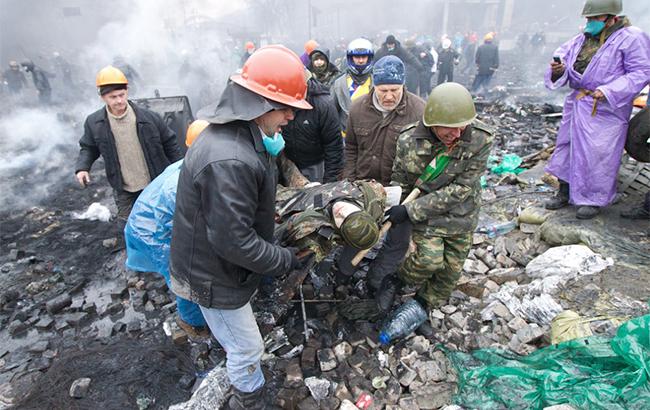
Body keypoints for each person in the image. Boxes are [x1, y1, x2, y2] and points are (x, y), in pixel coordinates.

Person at [168, 45, 312, 409]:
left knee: (240, 335)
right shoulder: (229, 159)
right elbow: (233, 241)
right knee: (247, 347)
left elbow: (235, 214)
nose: (290, 118)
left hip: (215, 264)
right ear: (261, 103)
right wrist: (283, 260)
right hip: (212, 276)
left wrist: (267, 216)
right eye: (286, 109)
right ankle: (249, 397)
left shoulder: (241, 136)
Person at [370, 83, 494, 325]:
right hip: (427, 218)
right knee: (429, 260)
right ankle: (396, 280)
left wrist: (410, 210)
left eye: (462, 128)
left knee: (449, 274)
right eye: (449, 130)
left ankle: (421, 305)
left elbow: (462, 188)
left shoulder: (480, 139)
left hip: (461, 213)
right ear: (431, 124)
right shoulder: (409, 141)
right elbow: (400, 178)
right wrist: (395, 207)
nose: (457, 135)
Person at [544, 0, 650, 219]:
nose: (589, 23)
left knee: (598, 154)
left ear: (612, 18)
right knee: (567, 147)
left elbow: (641, 72)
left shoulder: (632, 38)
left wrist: (609, 90)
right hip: (578, 102)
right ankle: (565, 191)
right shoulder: (583, 39)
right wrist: (559, 69)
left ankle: (593, 198)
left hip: (604, 108)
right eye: (588, 19)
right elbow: (565, 61)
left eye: (594, 18)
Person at [125, 120, 210, 338]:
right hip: (151, 230)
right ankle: (193, 324)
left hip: (158, 220)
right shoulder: (178, 183)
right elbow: (176, 228)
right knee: (182, 272)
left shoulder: (196, 165)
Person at [74, 66, 183, 222]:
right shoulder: (95, 123)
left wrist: (180, 170)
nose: (119, 101)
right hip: (124, 189)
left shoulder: (149, 118)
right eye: (113, 97)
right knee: (129, 226)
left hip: (156, 183)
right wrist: (83, 168)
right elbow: (88, 147)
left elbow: (170, 143)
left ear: (127, 91)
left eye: (122, 95)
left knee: (163, 222)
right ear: (102, 97)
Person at [343, 55, 425, 186]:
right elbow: (351, 149)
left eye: (394, 90)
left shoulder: (419, 111)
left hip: (399, 189)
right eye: (383, 90)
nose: (389, 96)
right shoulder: (357, 108)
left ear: (403, 85)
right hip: (363, 185)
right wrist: (349, 183)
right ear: (374, 86)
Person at [275, 180, 387, 261]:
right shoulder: (371, 193)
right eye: (350, 214)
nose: (341, 212)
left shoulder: (315, 230)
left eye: (342, 221)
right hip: (319, 188)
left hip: (290, 201)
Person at [282, 75, 343, 183]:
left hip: (315, 165)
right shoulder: (282, 99)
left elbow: (334, 145)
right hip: (287, 161)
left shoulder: (324, 105)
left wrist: (330, 180)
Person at [331, 38, 375, 136]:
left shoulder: (376, 81)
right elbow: (332, 113)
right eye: (357, 57)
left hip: (372, 137)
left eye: (364, 57)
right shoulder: (339, 83)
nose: (360, 60)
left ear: (370, 57)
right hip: (345, 137)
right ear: (350, 58)